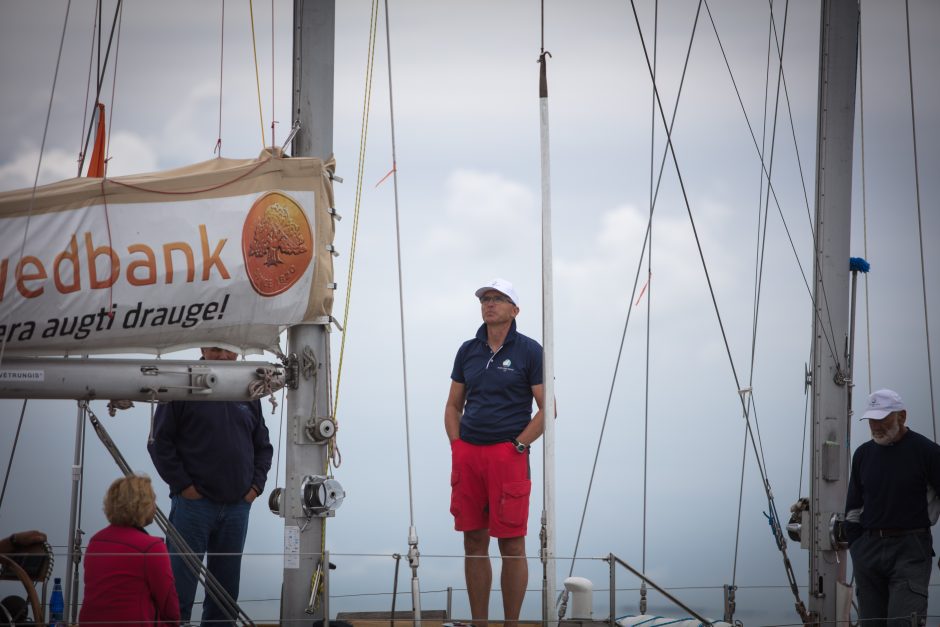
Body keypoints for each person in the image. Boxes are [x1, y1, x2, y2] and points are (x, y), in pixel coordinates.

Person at [147, 346, 273, 627]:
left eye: (229, 352)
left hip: (237, 507)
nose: (224, 357)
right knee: (178, 589)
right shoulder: (182, 383)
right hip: (193, 505)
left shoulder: (247, 391)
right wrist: (184, 487)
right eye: (216, 350)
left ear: (238, 355)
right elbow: (159, 442)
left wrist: (255, 488)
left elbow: (263, 446)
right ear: (203, 349)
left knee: (225, 594)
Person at [445, 278, 545, 623]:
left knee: (512, 543)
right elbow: (453, 406)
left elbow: (549, 409)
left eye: (498, 299)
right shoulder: (467, 350)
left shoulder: (530, 351)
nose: (490, 304)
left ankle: (511, 623)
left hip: (508, 455)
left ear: (514, 310)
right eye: (486, 299)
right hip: (469, 453)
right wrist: (457, 447)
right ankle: (479, 622)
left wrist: (519, 445)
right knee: (473, 541)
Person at [845, 388, 940, 627]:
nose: (876, 426)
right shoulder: (863, 455)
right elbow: (853, 507)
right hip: (869, 550)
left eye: (882, 419)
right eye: (872, 420)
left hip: (911, 548)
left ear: (902, 416)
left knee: (903, 622)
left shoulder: (927, 452)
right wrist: (857, 547)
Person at [79, 475, 180, 626]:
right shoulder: (151, 547)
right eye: (153, 500)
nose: (155, 506)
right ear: (142, 505)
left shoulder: (95, 541)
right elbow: (168, 604)